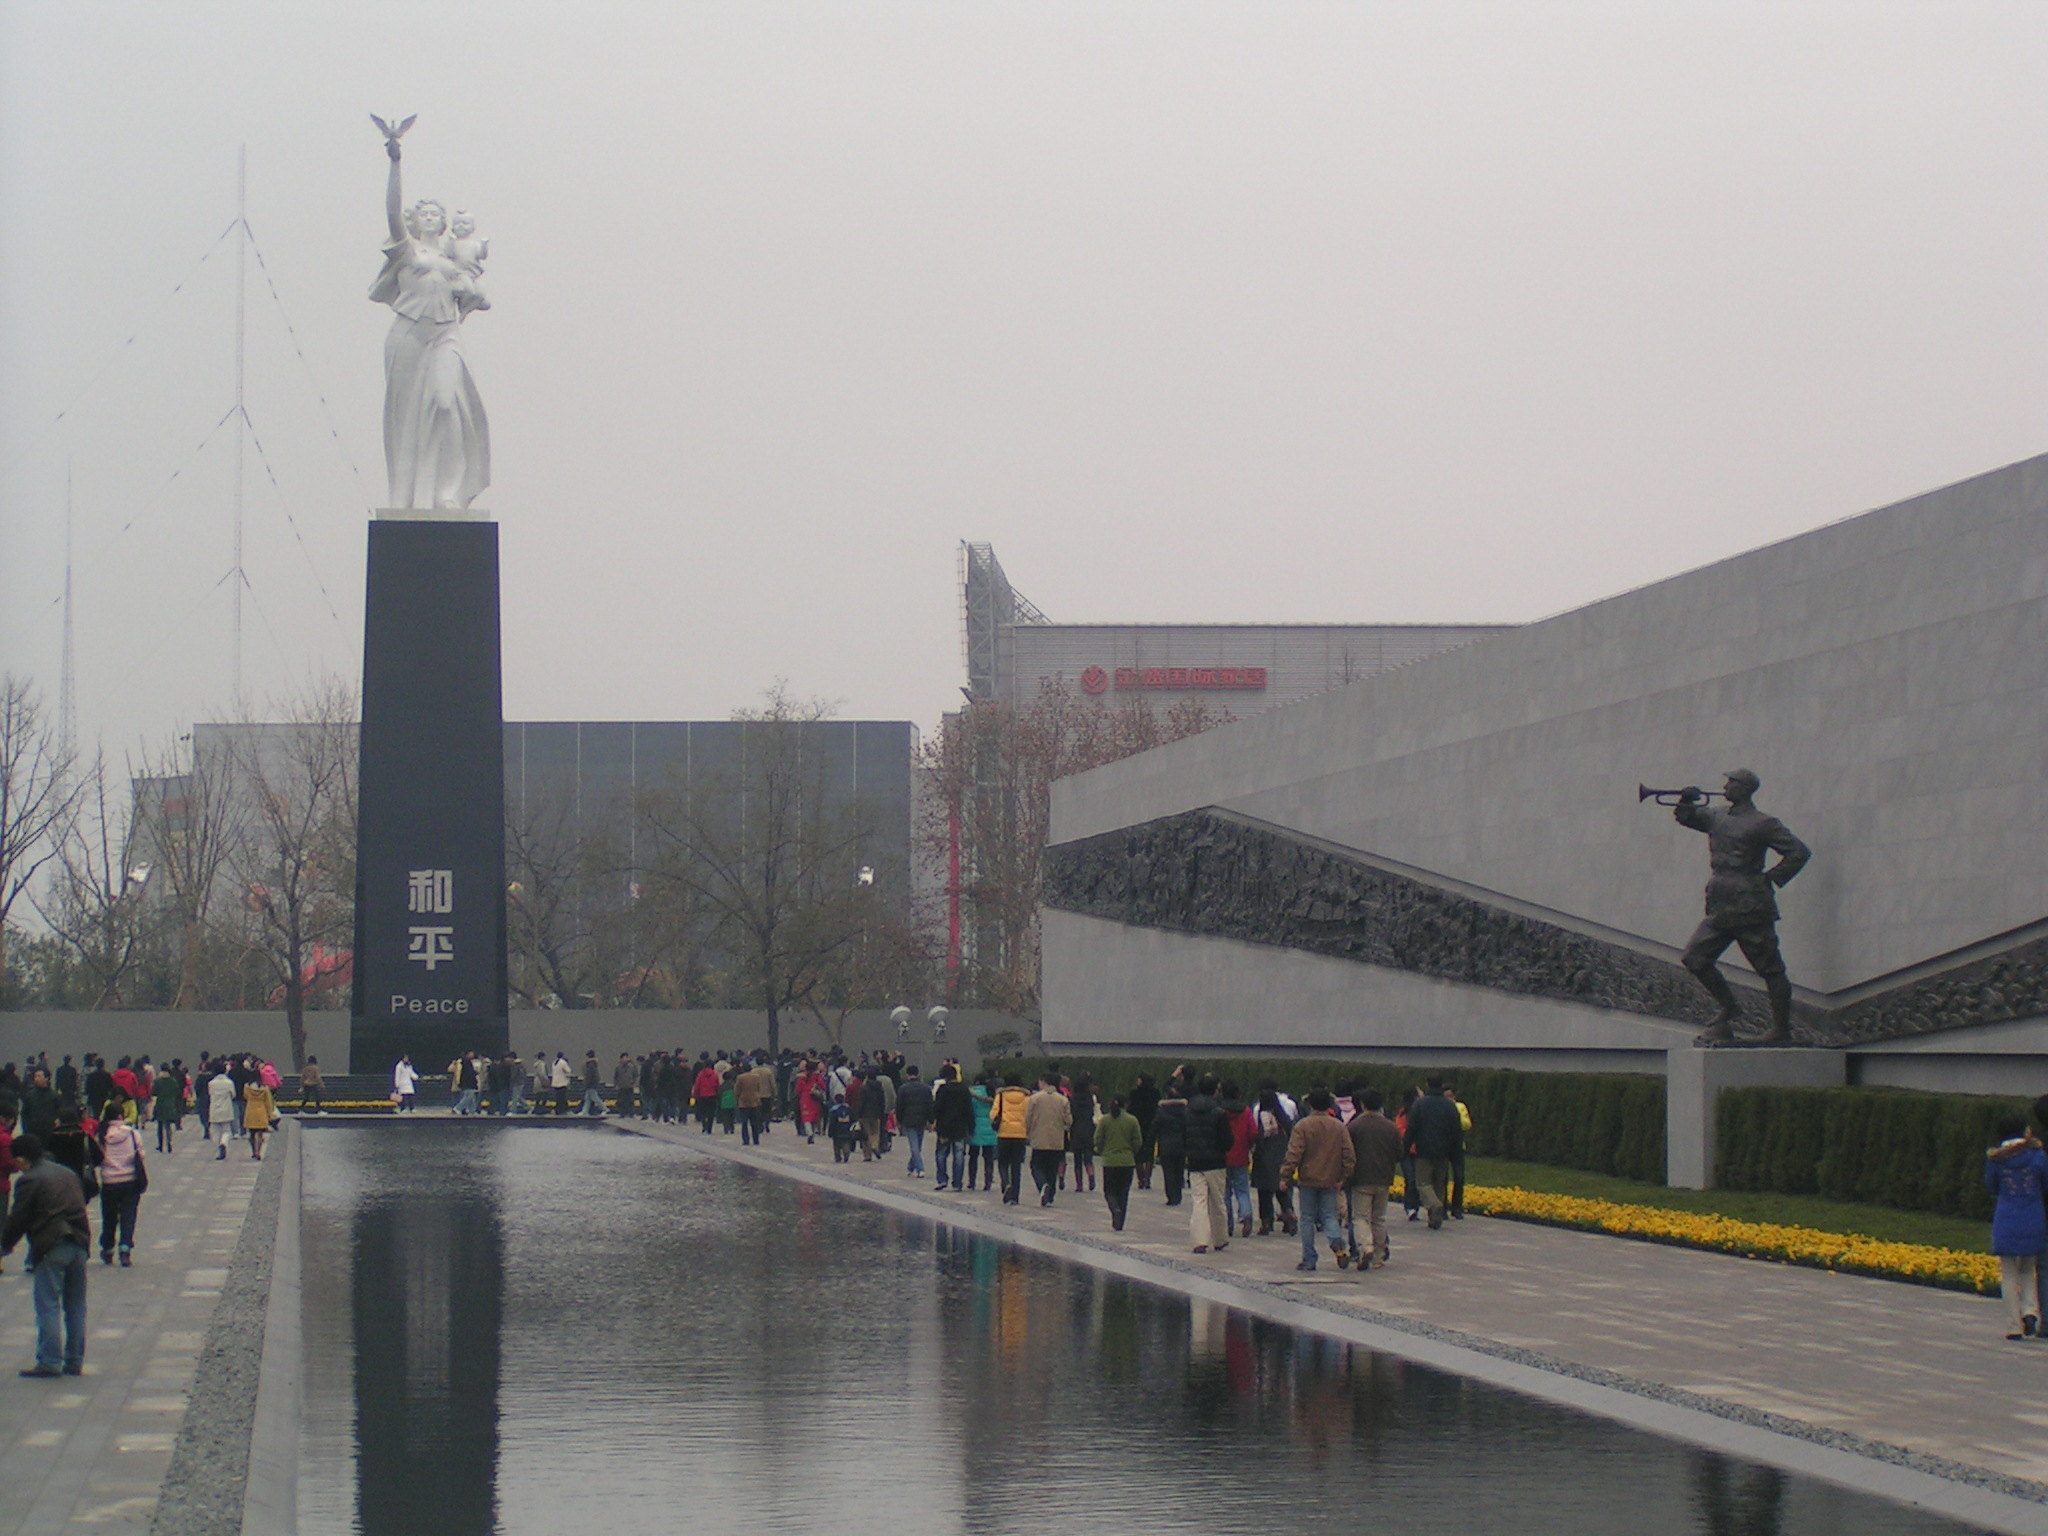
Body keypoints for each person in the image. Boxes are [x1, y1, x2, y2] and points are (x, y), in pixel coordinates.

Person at [370, 123, 490, 511]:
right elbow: (391, 210)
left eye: (437, 214)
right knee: (404, 420)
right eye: (424, 214)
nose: (431, 218)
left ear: (444, 223)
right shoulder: (407, 251)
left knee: (445, 403)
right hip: (408, 332)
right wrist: (395, 162)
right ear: (415, 220)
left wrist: (470, 291)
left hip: (445, 335)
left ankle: (447, 492)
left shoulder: (454, 262)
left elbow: (476, 297)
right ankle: (401, 497)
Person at [1673, 770, 1812, 1046]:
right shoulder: (1717, 816)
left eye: (1731, 782)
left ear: (1745, 789)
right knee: (1694, 958)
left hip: (1750, 905)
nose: (1725, 786)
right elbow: (1687, 818)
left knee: (1771, 970)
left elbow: (1798, 852)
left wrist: (1772, 878)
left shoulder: (1764, 823)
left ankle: (1781, 1030)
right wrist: (1685, 801)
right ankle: (1729, 1006)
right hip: (1721, 902)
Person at [3, 1135, 90, 1378]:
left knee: (48, 1304)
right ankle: (74, 1360)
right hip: (79, 1242)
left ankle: (50, 1361)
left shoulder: (29, 1180)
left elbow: (18, 1218)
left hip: (52, 1243)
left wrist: (5, 1246)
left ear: (21, 1159)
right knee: (76, 1306)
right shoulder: (66, 1173)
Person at [1281, 1089, 1355, 1271]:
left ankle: (1309, 1259)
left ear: (1311, 1104)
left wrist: (1285, 1176)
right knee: (1329, 1216)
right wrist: (1343, 1176)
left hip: (1308, 1179)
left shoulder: (1303, 1126)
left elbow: (1294, 1154)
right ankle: (1337, 1243)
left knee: (1307, 1219)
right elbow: (1349, 1155)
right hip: (1330, 1179)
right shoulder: (1339, 1126)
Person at [1986, 1115, 2046, 1341]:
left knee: (2009, 1274)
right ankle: (2030, 1311)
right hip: (2033, 1217)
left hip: (2007, 1218)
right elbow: (2045, 1182)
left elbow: (1991, 1186)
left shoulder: (1996, 1160)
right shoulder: (2036, 1155)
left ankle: (2014, 1325)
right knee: (2029, 1270)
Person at [1345, 1087, 1404, 1270]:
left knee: (1361, 1217)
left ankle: (1365, 1247)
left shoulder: (1354, 1127)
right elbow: (1399, 1153)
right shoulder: (1390, 1127)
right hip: (1383, 1178)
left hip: (1361, 1178)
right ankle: (1379, 1256)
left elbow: (1347, 1152)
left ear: (1362, 1105)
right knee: (1379, 1218)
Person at [1403, 1074, 1464, 1230]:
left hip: (1424, 1150)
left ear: (1427, 1084)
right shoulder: (1450, 1106)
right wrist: (1455, 1153)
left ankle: (1435, 1205)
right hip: (1444, 1151)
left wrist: (1404, 1148)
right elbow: (1457, 1131)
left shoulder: (1419, 1105)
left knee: (1422, 1183)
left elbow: (1411, 1129)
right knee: (1439, 1183)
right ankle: (1435, 1218)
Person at [1184, 1075, 1235, 1254]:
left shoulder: (1188, 1110)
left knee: (1199, 1201)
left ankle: (1199, 1241)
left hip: (1195, 1162)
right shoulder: (1219, 1112)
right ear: (1215, 1090)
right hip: (1216, 1162)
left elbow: (1183, 1134)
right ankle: (1220, 1238)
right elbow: (1227, 1140)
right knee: (1217, 1200)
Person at [96, 1109, 147, 1266]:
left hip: (109, 1181)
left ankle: (108, 1248)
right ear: (120, 1116)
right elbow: (141, 1154)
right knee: (128, 1216)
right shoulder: (132, 1134)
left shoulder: (102, 1135)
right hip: (129, 1180)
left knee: (109, 1217)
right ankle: (125, 1249)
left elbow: (98, 1157)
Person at [1250, 1089, 1297, 1236]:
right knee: (1281, 1189)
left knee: (1264, 1192)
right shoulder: (1282, 1116)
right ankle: (1288, 1212)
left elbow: (1258, 1136)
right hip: (1282, 1155)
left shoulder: (1262, 1115)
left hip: (1264, 1157)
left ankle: (1266, 1222)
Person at [1094, 1094, 1144, 1231]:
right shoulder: (1132, 1120)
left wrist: (1102, 1151)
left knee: (1109, 1191)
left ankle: (1114, 1208)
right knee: (1124, 1192)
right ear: (1125, 1105)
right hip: (1127, 1161)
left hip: (1110, 1161)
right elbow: (1138, 1141)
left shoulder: (1105, 1120)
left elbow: (1098, 1139)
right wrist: (1130, 1152)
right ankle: (1120, 1222)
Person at [1024, 1074, 1073, 1206]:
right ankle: (1050, 1196)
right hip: (1056, 1140)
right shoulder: (1063, 1100)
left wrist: (1028, 1132)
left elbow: (1027, 1118)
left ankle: (1042, 1185)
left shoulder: (1034, 1099)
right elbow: (1069, 1121)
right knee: (1052, 1169)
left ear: (1044, 1082)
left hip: (1039, 1138)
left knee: (1036, 1166)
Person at [991, 1073, 1033, 1205]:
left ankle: (1006, 1182)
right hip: (1020, 1135)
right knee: (1016, 1166)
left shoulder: (1001, 1096)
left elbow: (993, 1114)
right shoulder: (1026, 1097)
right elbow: (1029, 1115)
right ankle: (1015, 1196)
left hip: (1004, 1133)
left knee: (1002, 1162)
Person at [1220, 1080, 1254, 1239]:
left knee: (1225, 1193)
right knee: (1242, 1190)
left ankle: (1227, 1225)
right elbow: (1253, 1132)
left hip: (1222, 1156)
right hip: (1241, 1155)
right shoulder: (1246, 1111)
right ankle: (1246, 1214)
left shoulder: (1219, 1110)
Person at [930, 1065, 972, 1189]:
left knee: (941, 1153)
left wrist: (933, 1121)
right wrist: (971, 1126)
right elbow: (969, 1110)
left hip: (944, 1126)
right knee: (959, 1154)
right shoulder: (964, 1089)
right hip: (960, 1126)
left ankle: (942, 1179)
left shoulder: (942, 1090)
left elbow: (937, 1108)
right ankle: (957, 1183)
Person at [1151, 1080, 1189, 1207]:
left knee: (1168, 1173)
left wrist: (1151, 1142)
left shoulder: (1161, 1111)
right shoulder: (1185, 1112)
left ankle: (1171, 1196)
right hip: (1181, 1146)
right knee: (1179, 1171)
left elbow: (1154, 1128)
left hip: (1166, 1145)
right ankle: (1178, 1195)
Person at [896, 1066, 934, 1179]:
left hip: (908, 1120)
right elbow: (930, 1105)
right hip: (921, 1119)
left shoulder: (903, 1089)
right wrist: (931, 1120)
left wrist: (899, 1120)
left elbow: (899, 1106)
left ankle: (919, 1168)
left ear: (907, 1074)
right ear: (917, 1074)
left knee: (914, 1145)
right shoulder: (925, 1088)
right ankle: (912, 1166)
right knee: (918, 1145)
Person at [1128, 1073, 1160, 1191]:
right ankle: (1147, 1178)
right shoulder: (1155, 1093)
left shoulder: (1134, 1093)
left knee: (1138, 1153)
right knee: (1149, 1153)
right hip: (1151, 1124)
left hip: (1138, 1124)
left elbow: (1130, 1109)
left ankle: (1140, 1179)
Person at [967, 1072, 998, 1191]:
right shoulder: (991, 1092)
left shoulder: (972, 1092)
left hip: (975, 1126)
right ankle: (988, 1182)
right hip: (989, 1127)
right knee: (988, 1157)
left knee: (973, 1156)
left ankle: (972, 1182)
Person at [1069, 1073, 1099, 1195]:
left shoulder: (1073, 1099)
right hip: (1088, 1128)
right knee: (1088, 1156)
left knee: (1077, 1158)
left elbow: (1071, 1115)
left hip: (1076, 1129)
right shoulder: (1089, 1099)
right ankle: (1091, 1175)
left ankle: (1079, 1184)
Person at [242, 1074, 276, 1161]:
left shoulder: (247, 1087)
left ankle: (253, 1151)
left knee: (251, 1133)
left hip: (250, 1110)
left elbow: (245, 1096)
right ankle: (259, 1152)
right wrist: (270, 1114)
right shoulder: (264, 1088)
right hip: (261, 1111)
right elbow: (268, 1101)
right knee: (260, 1133)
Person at [151, 1066, 183, 1153]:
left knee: (159, 1126)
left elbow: (153, 1092)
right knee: (168, 1126)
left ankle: (160, 1145)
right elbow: (177, 1093)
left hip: (160, 1105)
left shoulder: (157, 1081)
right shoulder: (173, 1081)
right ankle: (169, 1144)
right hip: (170, 1105)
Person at [209, 1069, 239, 1158]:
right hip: (226, 1108)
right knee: (226, 1130)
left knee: (215, 1131)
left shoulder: (211, 1083)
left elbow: (210, 1093)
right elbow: (233, 1095)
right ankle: (224, 1142)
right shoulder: (229, 1083)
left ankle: (219, 1147)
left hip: (214, 1108)